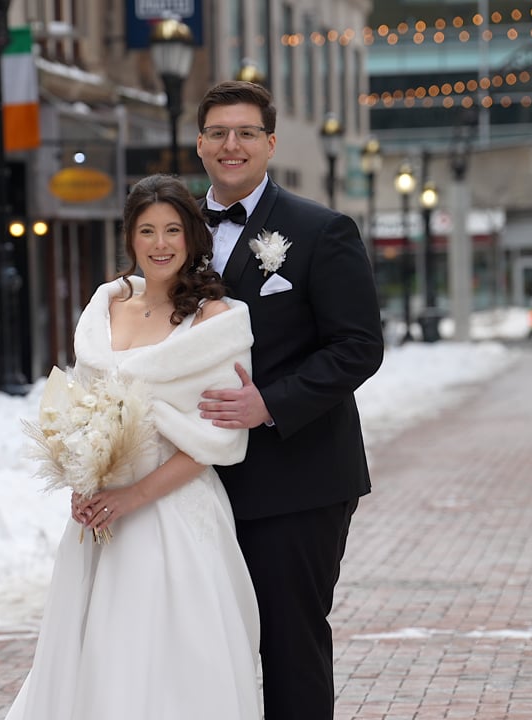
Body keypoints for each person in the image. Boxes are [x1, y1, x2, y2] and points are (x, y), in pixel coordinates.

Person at [4, 174, 262, 720]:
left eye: (173, 230)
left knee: (163, 660)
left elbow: (215, 441)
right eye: (147, 231)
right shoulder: (106, 308)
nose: (161, 243)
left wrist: (135, 497)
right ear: (131, 238)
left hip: (171, 510)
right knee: (93, 657)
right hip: (101, 516)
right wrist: (83, 481)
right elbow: (79, 412)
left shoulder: (214, 320)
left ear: (193, 238)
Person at [195, 80, 385, 718]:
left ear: (270, 143)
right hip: (196, 480)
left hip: (297, 479)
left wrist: (269, 405)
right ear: (199, 144)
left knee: (289, 644)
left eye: (246, 132)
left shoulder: (321, 229)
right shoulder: (174, 234)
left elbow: (358, 346)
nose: (232, 144)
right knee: (206, 646)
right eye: (218, 132)